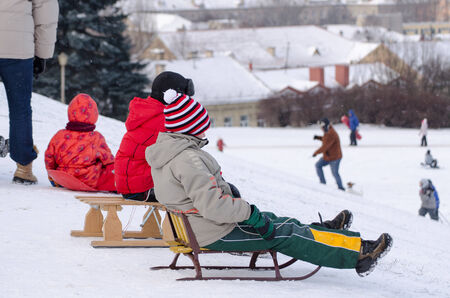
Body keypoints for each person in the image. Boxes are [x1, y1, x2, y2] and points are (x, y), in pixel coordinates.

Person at [145, 79, 392, 277]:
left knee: (279, 221)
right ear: (190, 126)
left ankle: (324, 233)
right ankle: (358, 253)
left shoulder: (171, 152)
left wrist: (238, 202)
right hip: (213, 231)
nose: (205, 129)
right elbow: (213, 206)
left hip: (201, 227)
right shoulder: (187, 159)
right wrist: (248, 212)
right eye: (201, 124)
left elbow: (198, 195)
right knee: (285, 234)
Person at [0, 0, 59, 184]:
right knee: (20, 109)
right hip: (17, 48)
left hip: (17, 47)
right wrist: (43, 53)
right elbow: (46, 12)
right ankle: (23, 167)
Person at [114, 71, 194, 201]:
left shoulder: (147, 112)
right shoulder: (166, 121)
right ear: (171, 96)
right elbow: (187, 157)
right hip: (143, 189)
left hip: (130, 186)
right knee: (201, 195)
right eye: (184, 97)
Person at [44, 94, 116, 192]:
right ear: (94, 115)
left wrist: (52, 174)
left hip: (63, 178)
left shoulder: (59, 135)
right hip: (88, 179)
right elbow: (109, 160)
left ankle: (61, 180)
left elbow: (49, 157)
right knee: (113, 169)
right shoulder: (96, 137)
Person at [313, 118, 345, 191]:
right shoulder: (327, 131)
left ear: (325, 126)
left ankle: (341, 188)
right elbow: (325, 139)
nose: (321, 128)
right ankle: (322, 183)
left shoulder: (331, 133)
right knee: (318, 165)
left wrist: (315, 153)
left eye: (322, 127)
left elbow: (325, 146)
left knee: (335, 173)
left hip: (335, 157)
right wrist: (318, 137)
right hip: (328, 157)